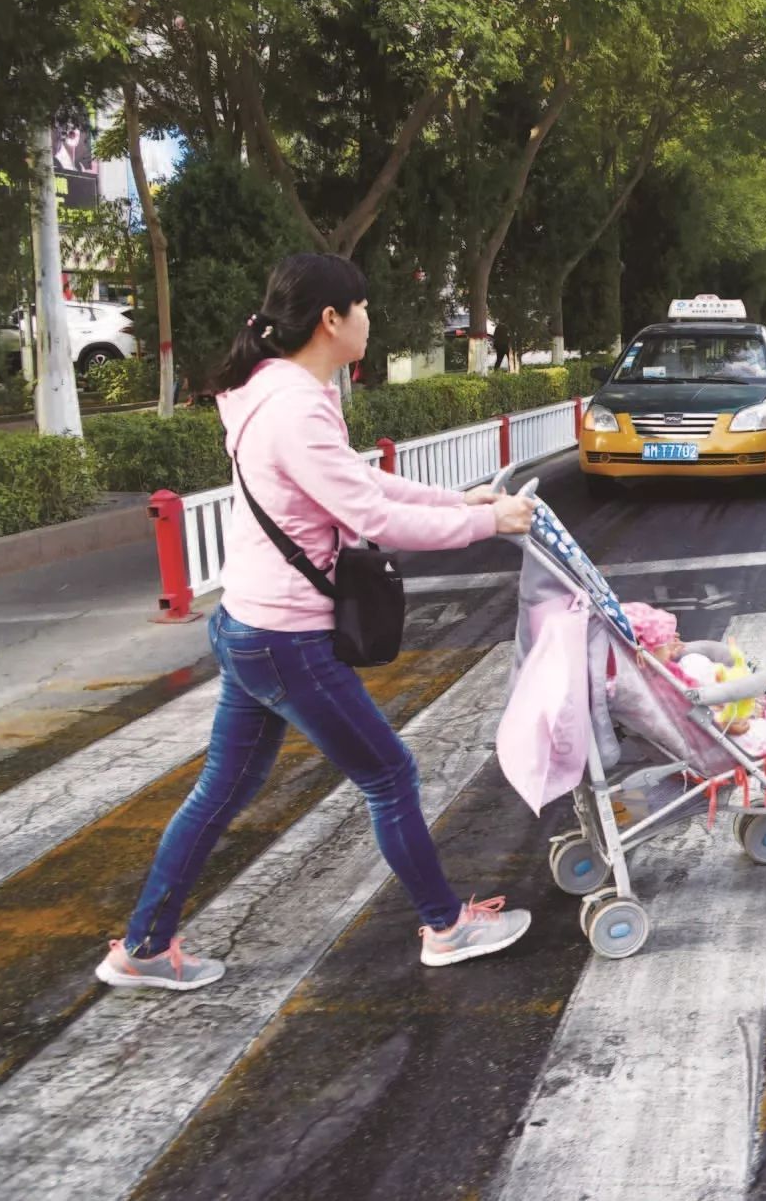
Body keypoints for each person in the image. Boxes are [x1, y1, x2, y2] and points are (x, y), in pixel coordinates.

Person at [96, 253, 536, 992]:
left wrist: (458, 503)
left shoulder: (274, 389)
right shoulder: (297, 406)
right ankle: (445, 924)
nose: (370, 319)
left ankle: (144, 944)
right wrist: (489, 519)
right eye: (362, 307)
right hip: (285, 639)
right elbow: (366, 513)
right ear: (331, 320)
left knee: (221, 790)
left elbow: (359, 479)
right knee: (390, 773)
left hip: (247, 625)